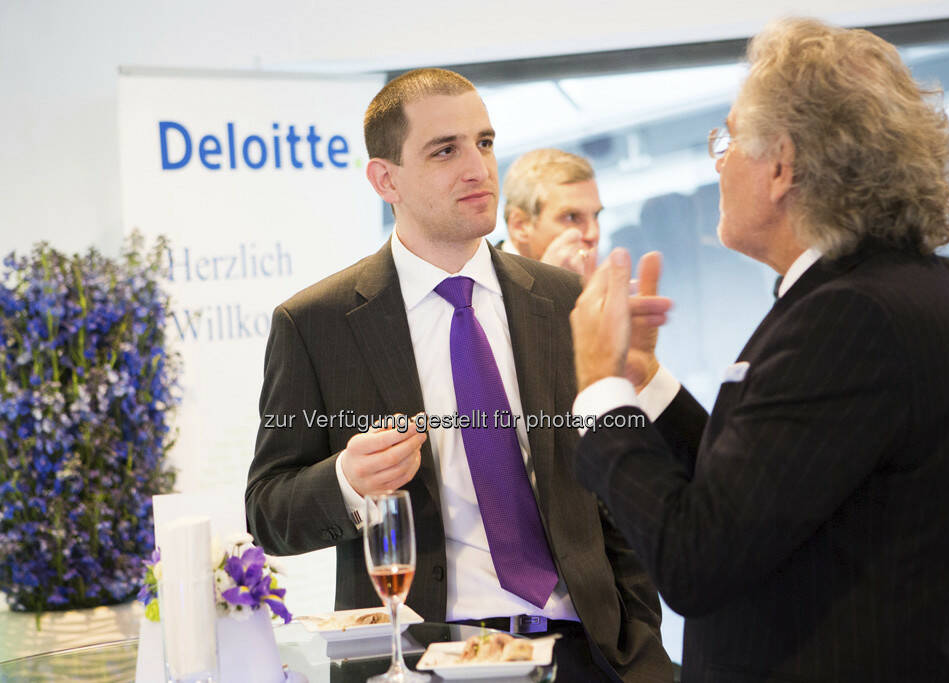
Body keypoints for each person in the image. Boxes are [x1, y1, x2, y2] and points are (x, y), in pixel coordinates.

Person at [568, 18, 949, 682]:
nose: (719, 159)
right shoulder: (881, 291)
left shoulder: (852, 316)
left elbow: (696, 559)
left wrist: (596, 384)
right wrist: (640, 376)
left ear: (781, 166)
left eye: (728, 139)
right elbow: (761, 491)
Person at [245, 68, 672, 682]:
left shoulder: (565, 301)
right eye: (445, 150)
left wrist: (643, 650)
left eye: (486, 143)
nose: (477, 167)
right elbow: (267, 510)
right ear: (385, 179)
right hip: (420, 661)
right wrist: (347, 480)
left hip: (587, 654)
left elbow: (615, 494)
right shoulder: (317, 323)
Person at [501, 148, 602, 280]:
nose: (593, 234)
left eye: (595, 215)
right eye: (571, 217)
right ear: (520, 226)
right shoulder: (484, 285)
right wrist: (551, 283)